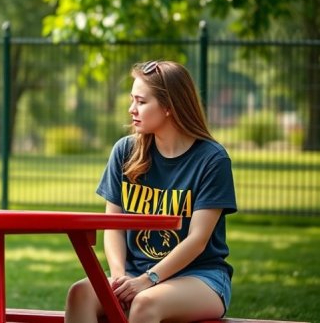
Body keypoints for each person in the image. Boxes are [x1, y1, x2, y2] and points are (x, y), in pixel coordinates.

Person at [65, 60, 237, 323]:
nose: (131, 109)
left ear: (169, 107)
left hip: (200, 277)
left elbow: (198, 239)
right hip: (135, 274)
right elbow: (114, 225)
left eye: (141, 102)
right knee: (80, 293)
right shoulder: (125, 151)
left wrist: (148, 280)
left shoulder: (212, 159)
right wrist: (120, 277)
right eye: (132, 100)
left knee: (144, 304)